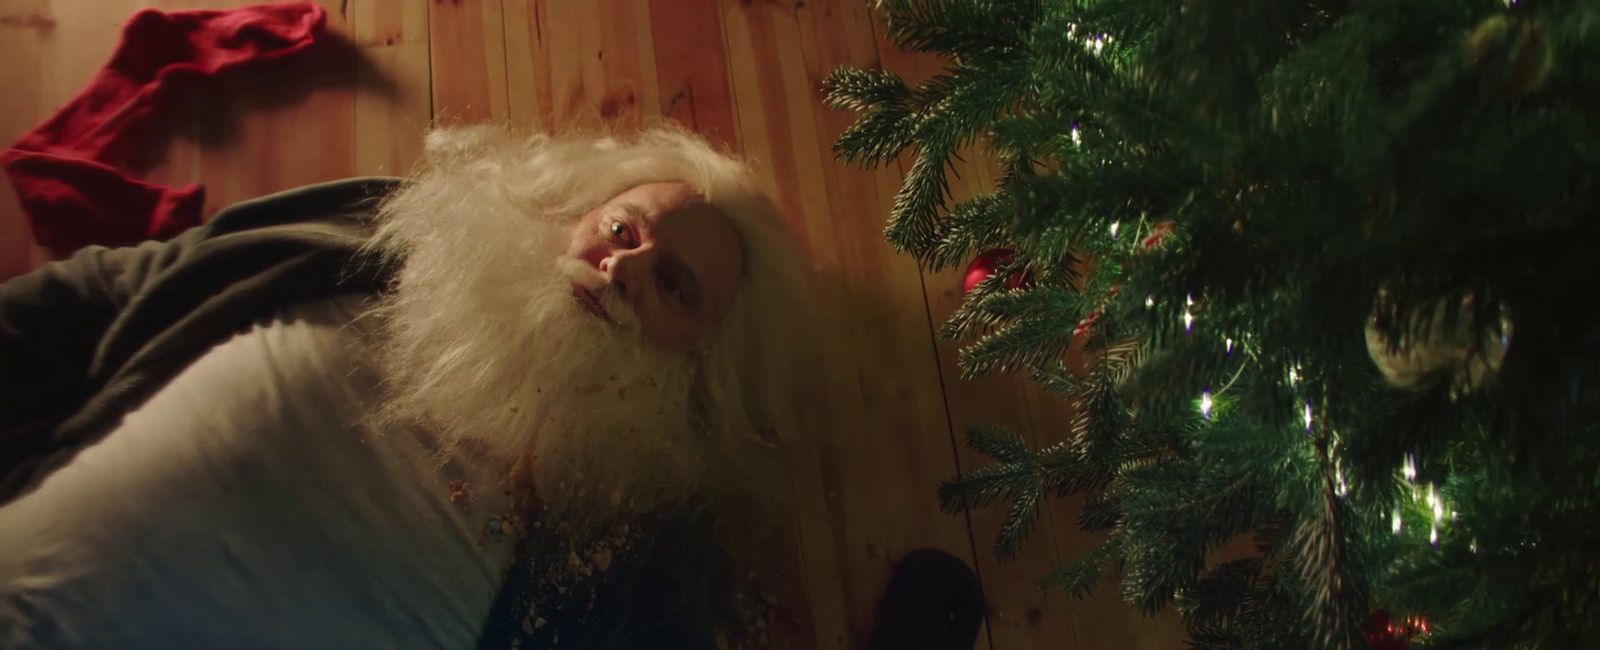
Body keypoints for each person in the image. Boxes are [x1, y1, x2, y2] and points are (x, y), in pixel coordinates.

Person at [0, 125, 818, 649]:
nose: (626, 266)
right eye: (621, 227)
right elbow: (104, 292)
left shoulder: (642, 553)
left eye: (675, 286)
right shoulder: (396, 232)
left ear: (703, 367)